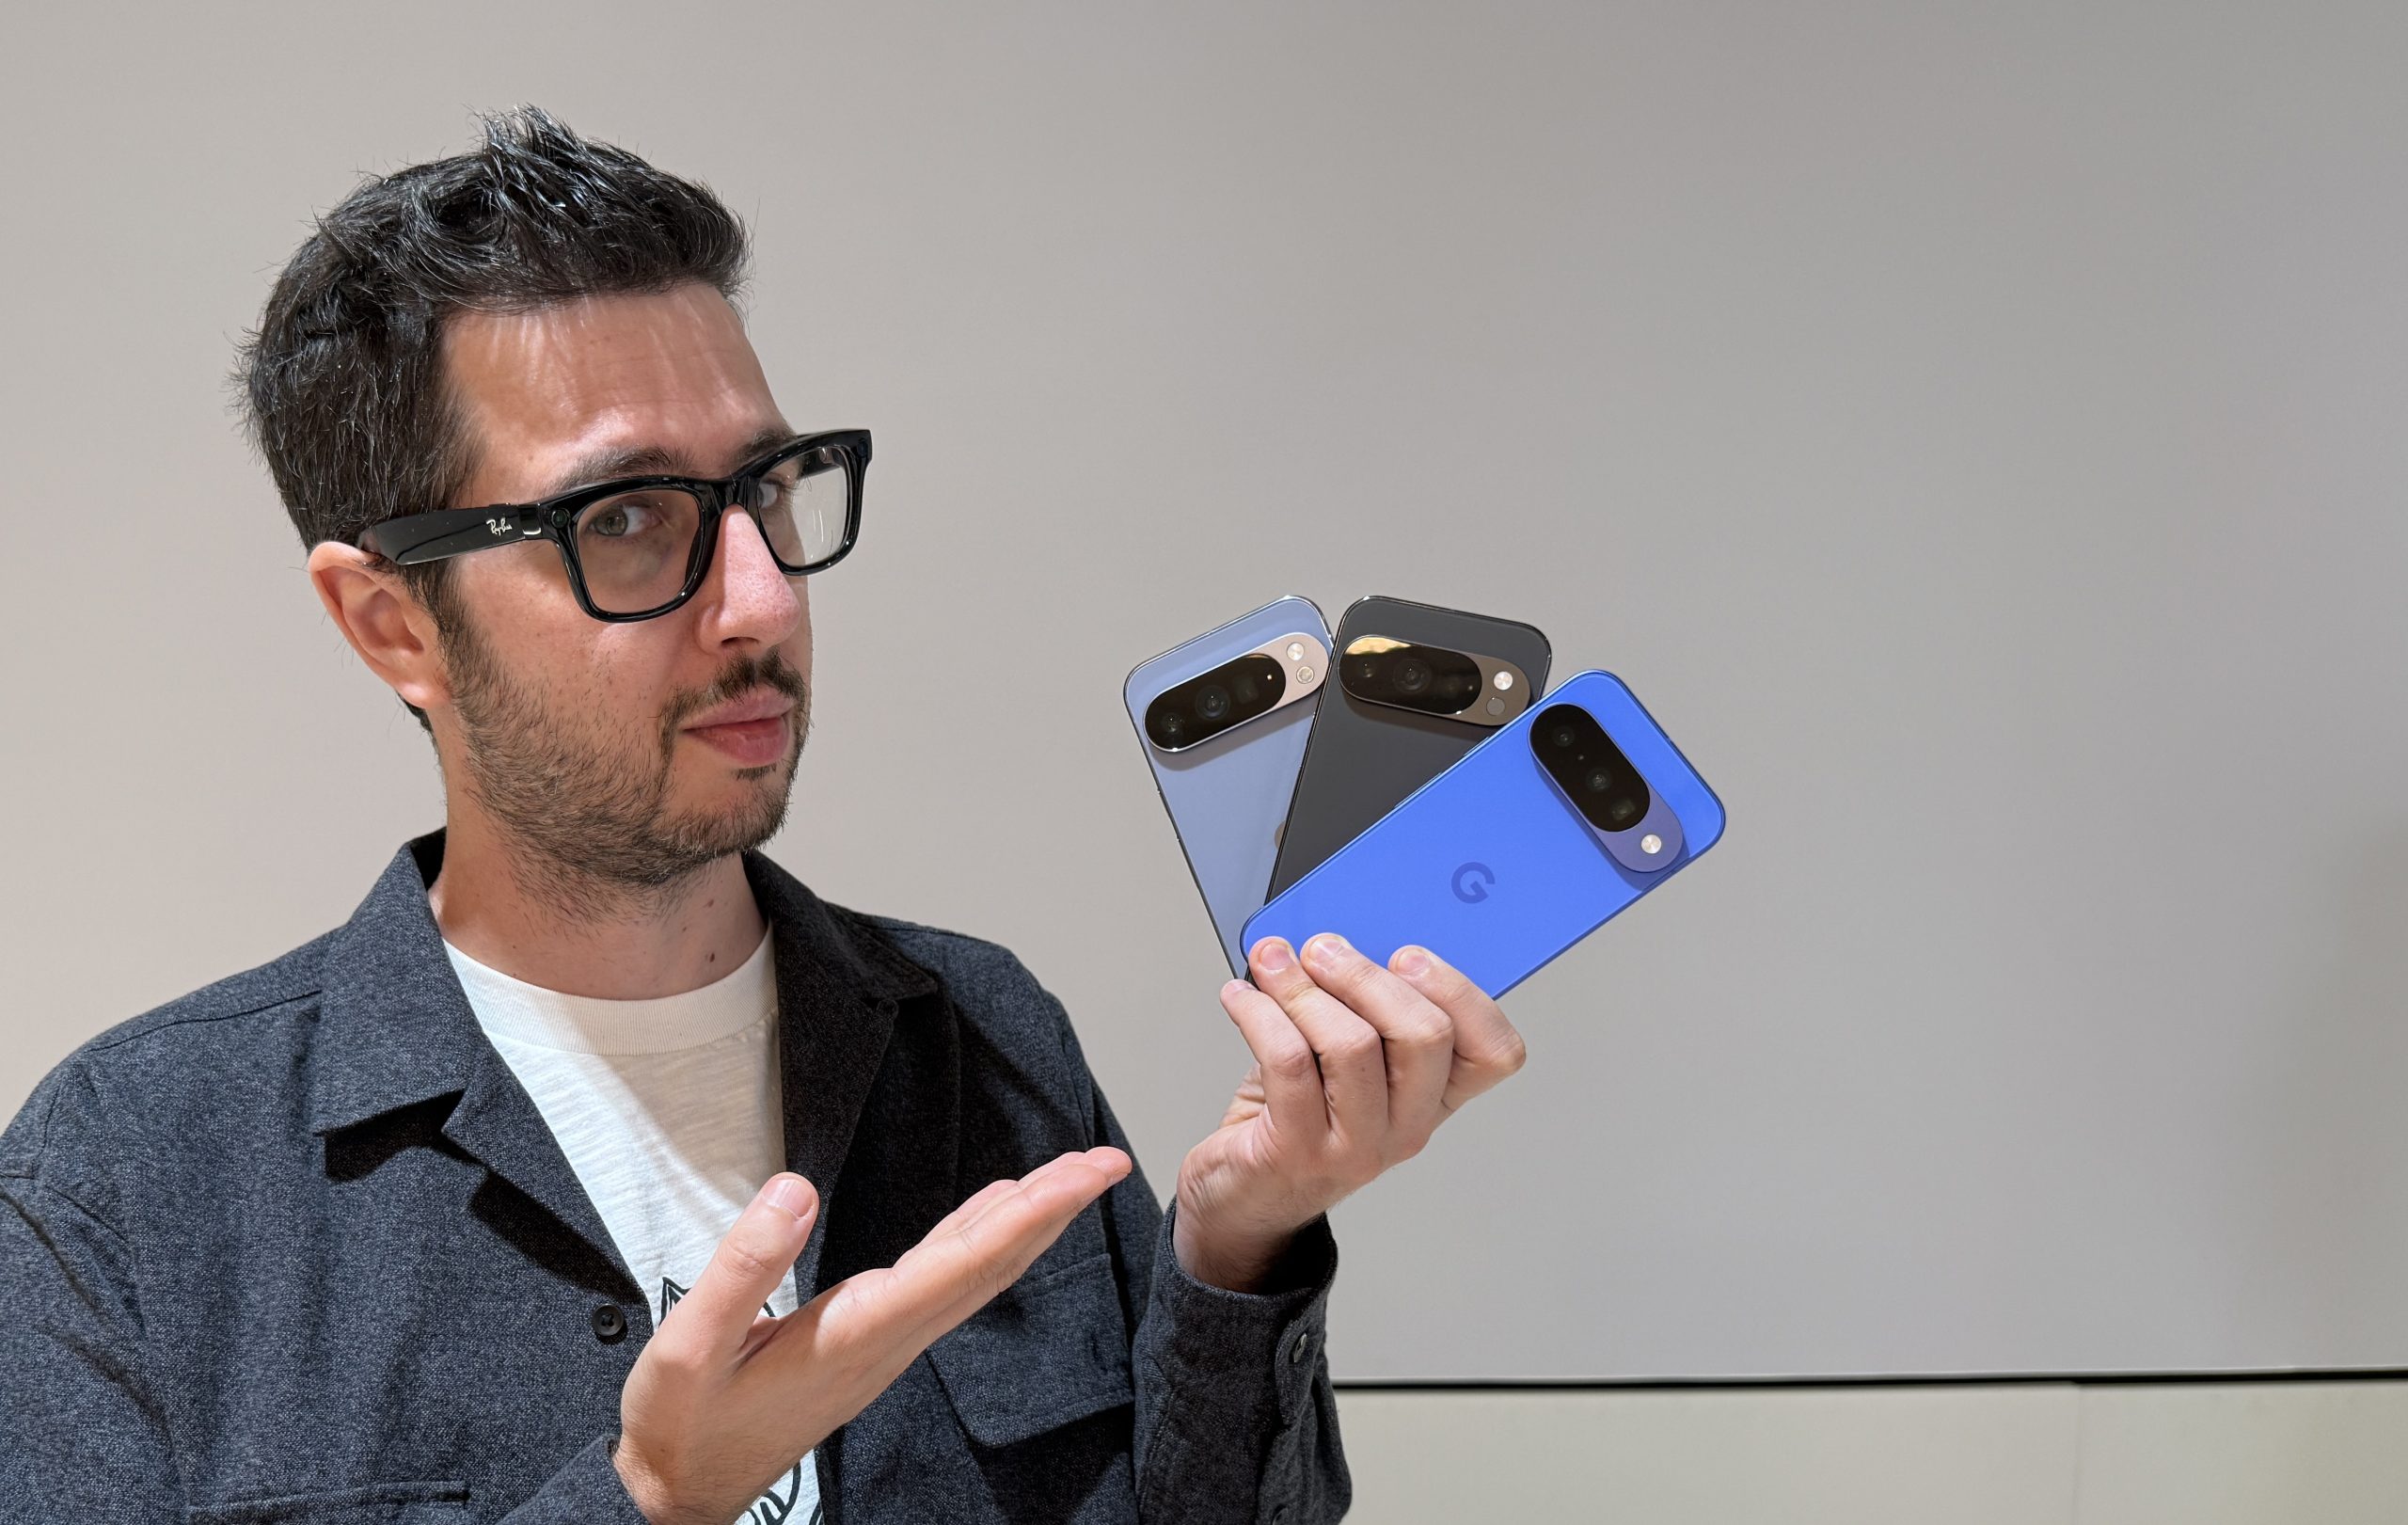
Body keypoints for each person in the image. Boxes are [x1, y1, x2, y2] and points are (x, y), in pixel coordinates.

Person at [0, 108, 1527, 1525]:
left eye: (772, 488)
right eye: (624, 518)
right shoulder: (132, 1177)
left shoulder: (984, 1040)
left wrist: (1239, 1246)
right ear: (392, 623)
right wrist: (653, 1499)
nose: (761, 597)